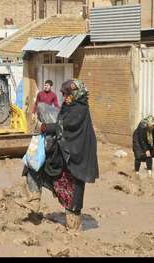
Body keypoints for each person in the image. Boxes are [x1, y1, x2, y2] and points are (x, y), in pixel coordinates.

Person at [16, 79, 99, 231]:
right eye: (64, 94)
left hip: (76, 158)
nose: (65, 97)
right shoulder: (68, 107)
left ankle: (74, 227)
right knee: (33, 166)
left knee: (74, 195)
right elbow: (60, 124)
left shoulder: (79, 110)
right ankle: (34, 200)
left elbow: (63, 127)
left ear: (77, 94)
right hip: (63, 153)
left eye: (69, 94)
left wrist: (45, 127)